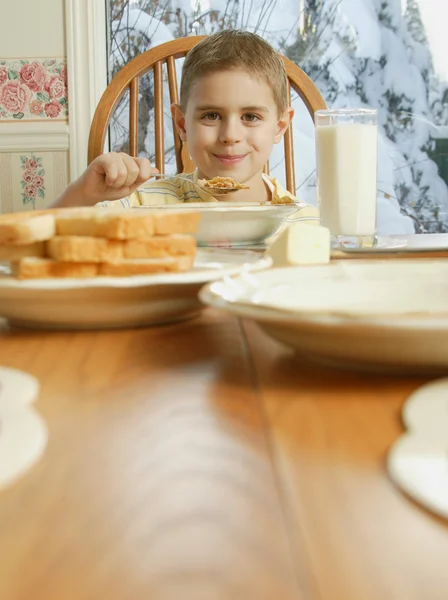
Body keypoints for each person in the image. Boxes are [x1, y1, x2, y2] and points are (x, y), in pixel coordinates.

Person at [54, 30, 317, 217]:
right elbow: (35, 248)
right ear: (182, 124)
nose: (230, 135)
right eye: (211, 115)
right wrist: (84, 194)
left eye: (251, 117)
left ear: (280, 126)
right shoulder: (142, 204)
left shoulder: (303, 222)